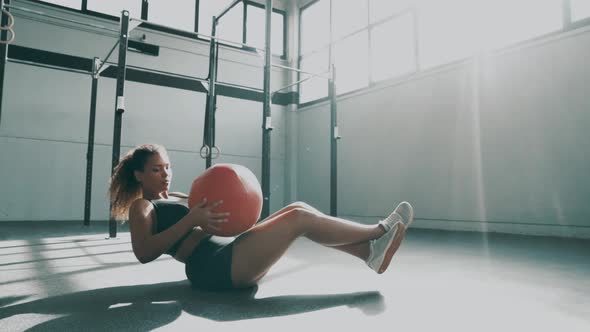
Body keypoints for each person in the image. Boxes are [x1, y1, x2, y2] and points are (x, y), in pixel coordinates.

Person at [109, 144, 414, 291]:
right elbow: (144, 253)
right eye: (155, 169)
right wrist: (192, 220)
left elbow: (215, 222)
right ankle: (377, 232)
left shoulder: (176, 197)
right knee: (298, 220)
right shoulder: (143, 207)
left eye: (167, 167)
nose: (165, 174)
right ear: (139, 175)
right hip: (213, 267)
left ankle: (367, 253)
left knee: (297, 208)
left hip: (230, 251)